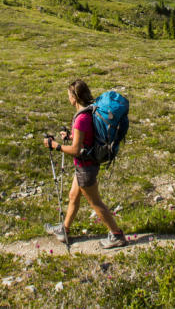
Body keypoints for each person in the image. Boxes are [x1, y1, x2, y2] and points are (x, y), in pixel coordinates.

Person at [42, 79, 128, 248]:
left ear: (74, 97)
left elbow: (75, 150)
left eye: (69, 95)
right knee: (73, 196)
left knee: (95, 202)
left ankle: (117, 235)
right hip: (86, 164)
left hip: (85, 167)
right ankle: (64, 230)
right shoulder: (89, 112)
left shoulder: (81, 119)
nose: (68, 98)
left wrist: (56, 146)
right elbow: (85, 139)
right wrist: (70, 136)